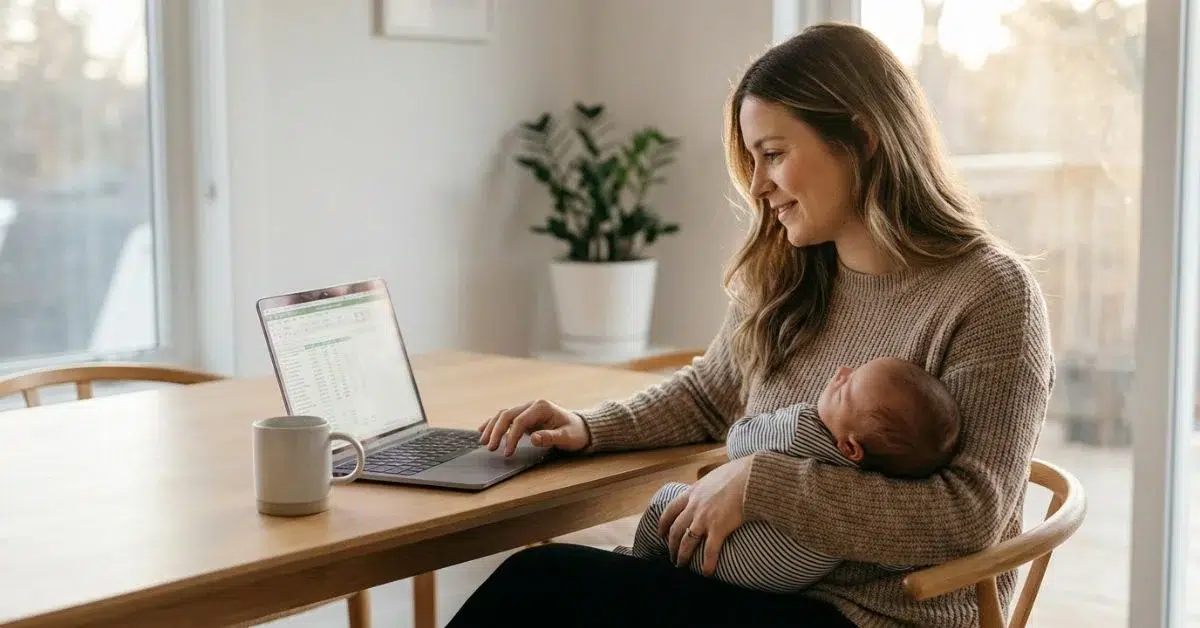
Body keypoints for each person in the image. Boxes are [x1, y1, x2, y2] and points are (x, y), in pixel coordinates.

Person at [451, 21, 1054, 628]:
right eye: (752, 158)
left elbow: (968, 513)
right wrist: (586, 427)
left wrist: (759, 483)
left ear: (863, 140)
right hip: (748, 588)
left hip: (875, 616)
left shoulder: (990, 295)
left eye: (774, 154)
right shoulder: (790, 272)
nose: (758, 184)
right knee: (542, 584)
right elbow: (710, 393)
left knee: (542, 586)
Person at [617, 357, 961, 594]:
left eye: (846, 388)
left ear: (851, 447)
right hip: (786, 580)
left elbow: (739, 440)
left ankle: (639, 560)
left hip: (729, 557)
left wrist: (757, 463)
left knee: (668, 498)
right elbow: (704, 393)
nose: (841, 371)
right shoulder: (882, 482)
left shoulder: (803, 428)